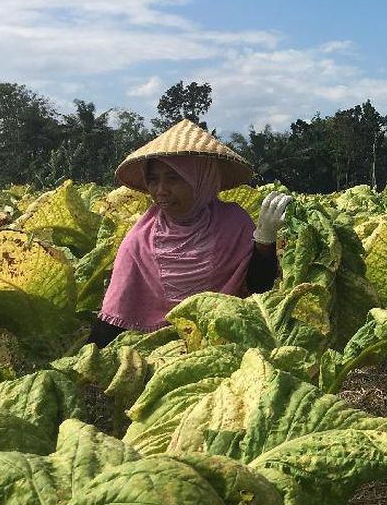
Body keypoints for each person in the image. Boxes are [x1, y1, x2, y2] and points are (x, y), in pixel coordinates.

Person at [87, 119, 292, 347]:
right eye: (153, 180)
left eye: (173, 178)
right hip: (156, 348)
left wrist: (264, 241)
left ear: (202, 179)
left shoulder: (233, 223)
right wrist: (87, 359)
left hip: (225, 341)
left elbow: (258, 289)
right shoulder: (140, 239)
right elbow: (116, 312)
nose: (161, 191)